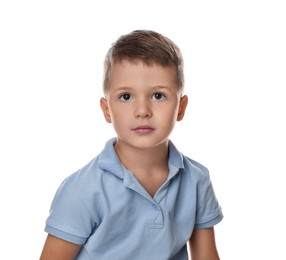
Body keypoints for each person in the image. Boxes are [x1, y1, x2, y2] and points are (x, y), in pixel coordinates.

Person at [40, 29, 223, 260]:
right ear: (107, 109)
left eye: (158, 96)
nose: (143, 111)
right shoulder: (83, 190)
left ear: (181, 107)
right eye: (126, 97)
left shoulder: (197, 180)